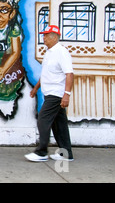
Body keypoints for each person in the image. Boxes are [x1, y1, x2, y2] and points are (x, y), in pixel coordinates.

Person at [25, 25, 74, 162]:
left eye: (46, 35)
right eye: (44, 35)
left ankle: (41, 152)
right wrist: (36, 88)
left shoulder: (61, 52)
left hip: (56, 94)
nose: (44, 37)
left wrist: (67, 94)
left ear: (54, 37)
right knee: (59, 125)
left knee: (43, 120)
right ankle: (66, 153)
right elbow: (46, 74)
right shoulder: (49, 53)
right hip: (50, 93)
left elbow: (69, 74)